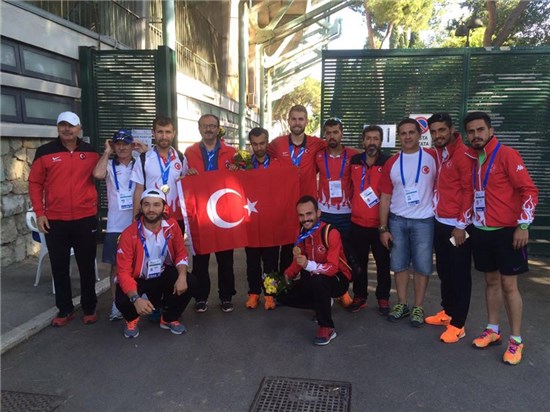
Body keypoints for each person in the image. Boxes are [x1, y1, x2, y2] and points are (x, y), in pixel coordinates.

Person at [464, 111, 538, 365]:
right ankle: (492, 330)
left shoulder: (507, 154)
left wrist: (523, 225)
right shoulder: (472, 158)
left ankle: (516, 340)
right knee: (491, 282)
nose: (476, 135)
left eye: (480, 130)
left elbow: (529, 190)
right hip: (482, 231)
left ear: (490, 131)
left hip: (508, 232)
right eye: (471, 131)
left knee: (509, 286)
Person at [28, 111, 100, 326]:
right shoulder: (44, 152)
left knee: (86, 266)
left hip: (85, 218)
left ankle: (89, 307)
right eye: (63, 125)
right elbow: (34, 183)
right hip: (55, 220)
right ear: (58, 127)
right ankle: (64, 309)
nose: (67, 129)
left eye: (71, 125)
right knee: (59, 267)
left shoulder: (91, 152)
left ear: (79, 128)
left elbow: (104, 172)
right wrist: (40, 213)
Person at [115, 189, 197, 338]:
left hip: (162, 273)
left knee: (190, 281)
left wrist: (182, 276)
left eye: (156, 205)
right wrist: (135, 299)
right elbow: (123, 272)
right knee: (122, 299)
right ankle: (132, 319)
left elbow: (181, 253)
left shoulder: (172, 226)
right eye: (146, 204)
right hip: (138, 278)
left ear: (164, 207)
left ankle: (168, 318)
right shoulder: (128, 234)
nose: (151, 209)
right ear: (141, 207)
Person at [379, 118, 437, 327]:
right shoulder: (392, 163)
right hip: (397, 221)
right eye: (403, 133)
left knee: (422, 267)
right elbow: (385, 197)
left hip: (424, 221)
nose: (408, 137)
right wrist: (383, 228)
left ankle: (418, 307)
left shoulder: (432, 158)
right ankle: (402, 304)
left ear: (419, 134)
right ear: (399, 137)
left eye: (411, 132)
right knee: (399, 265)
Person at [424, 113, 473, 343]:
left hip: (458, 227)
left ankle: (458, 324)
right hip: (440, 223)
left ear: (451, 129)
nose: (437, 135)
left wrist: (461, 225)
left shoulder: (463, 154)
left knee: (460, 275)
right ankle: (448, 312)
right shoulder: (439, 153)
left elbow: (469, 191)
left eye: (441, 130)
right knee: (445, 271)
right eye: (433, 132)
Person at [278, 195, 352, 346]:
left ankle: (327, 327)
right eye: (301, 215)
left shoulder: (331, 232)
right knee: (282, 296)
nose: (305, 219)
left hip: (338, 279)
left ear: (318, 213)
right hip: (314, 276)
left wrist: (308, 265)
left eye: (309, 214)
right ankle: (322, 303)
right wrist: (286, 276)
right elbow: (299, 260)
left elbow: (332, 268)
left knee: (319, 279)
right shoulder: (302, 233)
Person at [184, 114, 237, 313]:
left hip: (224, 212)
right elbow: (182, 178)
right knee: (200, 259)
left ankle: (226, 296)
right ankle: (200, 297)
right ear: (199, 128)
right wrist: (188, 175)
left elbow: (242, 179)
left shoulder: (231, 152)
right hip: (200, 212)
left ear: (218, 128)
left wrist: (236, 170)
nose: (209, 129)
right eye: (205, 126)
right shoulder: (189, 152)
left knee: (226, 259)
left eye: (212, 126)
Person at [267, 104, 327, 274]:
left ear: (306, 121)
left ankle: (309, 282)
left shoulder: (316, 143)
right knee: (286, 246)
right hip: (285, 206)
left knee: (309, 244)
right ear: (288, 121)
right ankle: (284, 281)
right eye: (293, 119)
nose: (297, 122)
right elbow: (260, 157)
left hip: (307, 207)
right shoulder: (277, 144)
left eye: (301, 119)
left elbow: (338, 149)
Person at [93, 129, 136, 321]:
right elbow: (97, 174)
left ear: (132, 145)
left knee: (137, 265)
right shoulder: (109, 165)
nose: (122, 147)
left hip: (136, 223)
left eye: (126, 144)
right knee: (116, 268)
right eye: (118, 144)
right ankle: (117, 304)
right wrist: (106, 152)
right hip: (115, 225)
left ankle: (137, 300)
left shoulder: (139, 163)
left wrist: (143, 150)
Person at [347, 125, 391, 315]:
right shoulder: (355, 161)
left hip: (380, 224)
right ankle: (359, 296)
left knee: (383, 263)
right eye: (368, 138)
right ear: (363, 141)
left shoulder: (388, 162)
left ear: (381, 142)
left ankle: (383, 298)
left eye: (375, 138)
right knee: (359, 264)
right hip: (357, 223)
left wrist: (385, 225)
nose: (372, 142)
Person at [315, 118, 357, 308]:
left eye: (335, 132)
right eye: (328, 132)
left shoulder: (353, 155)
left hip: (346, 214)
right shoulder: (318, 155)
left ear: (342, 133)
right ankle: (326, 293)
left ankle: (343, 291)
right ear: (324, 134)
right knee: (323, 254)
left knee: (344, 254)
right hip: (324, 213)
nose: (332, 136)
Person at [241, 127, 281, 310]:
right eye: (255, 144)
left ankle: (270, 294)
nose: (259, 147)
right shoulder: (244, 166)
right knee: (252, 262)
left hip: (271, 222)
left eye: (262, 143)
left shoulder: (278, 164)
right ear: (251, 144)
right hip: (251, 221)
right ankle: (254, 293)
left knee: (271, 262)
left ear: (267, 142)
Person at [131, 115, 188, 234]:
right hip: (151, 216)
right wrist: (135, 218)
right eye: (160, 132)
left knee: (175, 246)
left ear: (174, 133)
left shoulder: (181, 158)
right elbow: (139, 190)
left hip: (176, 216)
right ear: (153, 133)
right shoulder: (143, 159)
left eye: (168, 132)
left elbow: (186, 188)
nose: (164, 136)